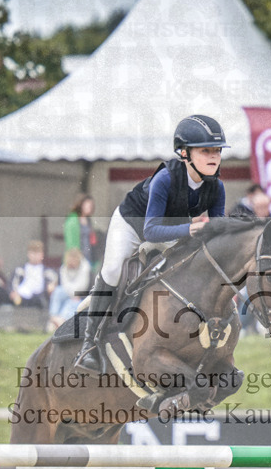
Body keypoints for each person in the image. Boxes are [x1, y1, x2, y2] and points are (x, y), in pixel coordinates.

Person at [74, 114, 229, 372]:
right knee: (112, 270)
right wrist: (191, 229)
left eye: (217, 150)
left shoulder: (217, 187)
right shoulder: (165, 179)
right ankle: (89, 345)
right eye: (206, 151)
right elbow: (151, 230)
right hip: (134, 224)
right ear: (184, 153)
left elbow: (216, 233)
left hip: (176, 230)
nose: (214, 156)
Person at [47, 247, 93, 332]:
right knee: (58, 291)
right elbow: (62, 285)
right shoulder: (63, 269)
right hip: (68, 293)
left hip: (80, 297)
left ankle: (62, 321)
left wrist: (75, 294)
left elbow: (85, 287)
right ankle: (53, 317)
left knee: (72, 302)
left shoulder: (85, 269)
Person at [9, 240, 58, 309]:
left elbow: (54, 284)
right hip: (22, 297)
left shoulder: (49, 272)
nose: (35, 256)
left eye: (37, 253)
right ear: (28, 254)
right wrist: (14, 293)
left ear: (42, 254)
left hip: (40, 298)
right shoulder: (19, 271)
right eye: (32, 253)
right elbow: (13, 286)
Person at [64, 194, 97, 273]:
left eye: (91, 205)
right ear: (80, 204)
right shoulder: (73, 220)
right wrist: (74, 257)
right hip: (77, 258)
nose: (89, 207)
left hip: (88, 256)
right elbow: (71, 242)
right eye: (87, 205)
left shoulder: (88, 220)